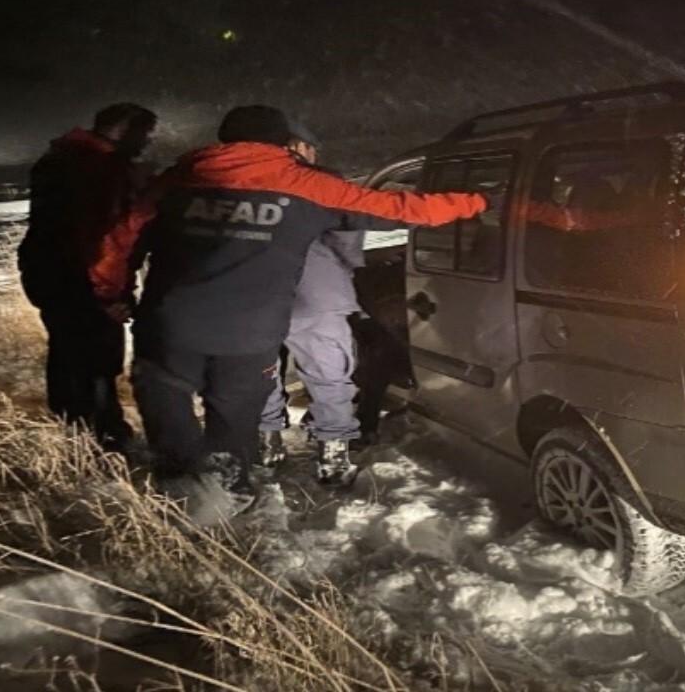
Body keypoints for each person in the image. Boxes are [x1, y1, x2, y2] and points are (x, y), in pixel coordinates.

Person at [88, 104, 486, 494]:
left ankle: (179, 486)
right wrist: (475, 202)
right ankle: (226, 494)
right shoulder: (308, 184)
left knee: (167, 403)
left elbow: (120, 238)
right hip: (251, 333)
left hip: (171, 323)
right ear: (283, 143)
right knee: (235, 414)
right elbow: (399, 208)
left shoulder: (176, 180)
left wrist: (109, 295)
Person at [17, 102, 157, 450]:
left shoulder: (60, 159)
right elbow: (103, 240)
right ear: (123, 130)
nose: (146, 143)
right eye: (143, 134)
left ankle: (75, 434)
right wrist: (109, 296)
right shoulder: (101, 170)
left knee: (67, 354)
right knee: (96, 362)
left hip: (48, 274)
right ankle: (103, 441)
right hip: (87, 281)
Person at [258, 121, 388, 486]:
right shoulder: (322, 181)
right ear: (299, 147)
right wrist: (342, 270)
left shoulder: (245, 181)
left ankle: (266, 444)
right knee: (329, 375)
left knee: (262, 370)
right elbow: (348, 235)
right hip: (318, 292)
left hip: (258, 293)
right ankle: (332, 457)